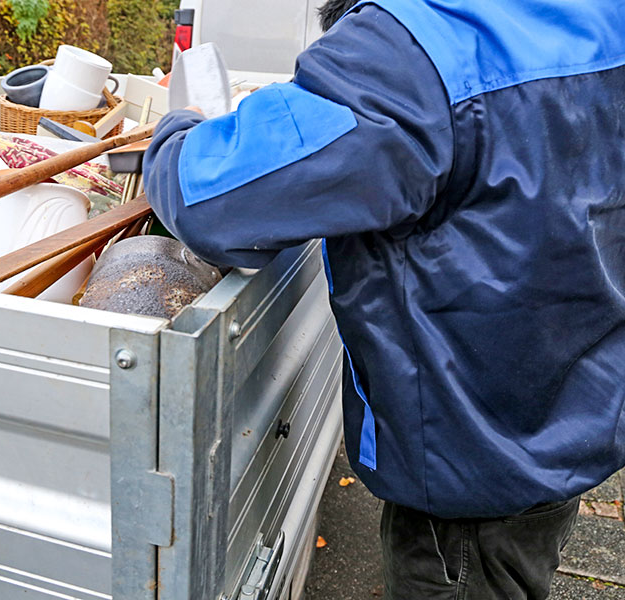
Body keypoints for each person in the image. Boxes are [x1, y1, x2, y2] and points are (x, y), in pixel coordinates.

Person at [142, 1, 625, 598]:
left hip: (471, 459)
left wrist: (176, 129)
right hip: (568, 411)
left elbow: (207, 197)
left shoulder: (414, 43)